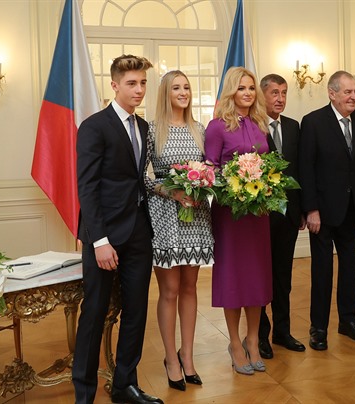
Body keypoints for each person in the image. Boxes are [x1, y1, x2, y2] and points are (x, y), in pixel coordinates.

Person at [74, 55, 163, 404]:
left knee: (136, 311)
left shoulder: (142, 127)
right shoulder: (94, 126)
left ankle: (125, 385)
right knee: (94, 313)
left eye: (142, 83)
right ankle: (84, 393)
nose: (139, 89)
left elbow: (139, 181)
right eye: (131, 83)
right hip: (104, 236)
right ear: (114, 85)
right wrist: (99, 240)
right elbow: (88, 188)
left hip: (139, 233)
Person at [298, 70, 355, 351]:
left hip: (353, 209)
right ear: (332, 93)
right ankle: (319, 327)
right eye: (348, 92)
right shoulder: (313, 122)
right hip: (322, 213)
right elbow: (306, 169)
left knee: (350, 268)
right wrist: (311, 209)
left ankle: (348, 321)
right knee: (322, 271)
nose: (354, 97)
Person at [145, 70, 214, 391]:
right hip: (165, 217)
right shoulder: (151, 131)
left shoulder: (199, 129)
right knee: (169, 290)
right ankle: (170, 358)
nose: (183, 92)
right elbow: (140, 177)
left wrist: (204, 183)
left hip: (195, 215)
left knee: (190, 287)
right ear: (166, 93)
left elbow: (210, 169)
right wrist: (170, 190)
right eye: (176, 87)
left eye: (186, 87)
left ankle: (188, 356)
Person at [205, 67, 272, 375]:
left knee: (257, 276)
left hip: (257, 213)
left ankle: (253, 339)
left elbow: (269, 165)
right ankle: (234, 343)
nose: (247, 93)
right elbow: (211, 170)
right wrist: (235, 182)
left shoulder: (261, 124)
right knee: (234, 276)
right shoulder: (217, 127)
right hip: (230, 214)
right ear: (231, 92)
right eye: (241, 88)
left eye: (251, 88)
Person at [257, 74, 306, 359]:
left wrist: (300, 208)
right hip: (262, 215)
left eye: (284, 93)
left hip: (288, 215)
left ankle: (282, 331)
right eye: (274, 93)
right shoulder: (252, 127)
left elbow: (298, 170)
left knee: (283, 277)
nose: (280, 98)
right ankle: (260, 335)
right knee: (263, 275)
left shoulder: (293, 126)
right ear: (263, 96)